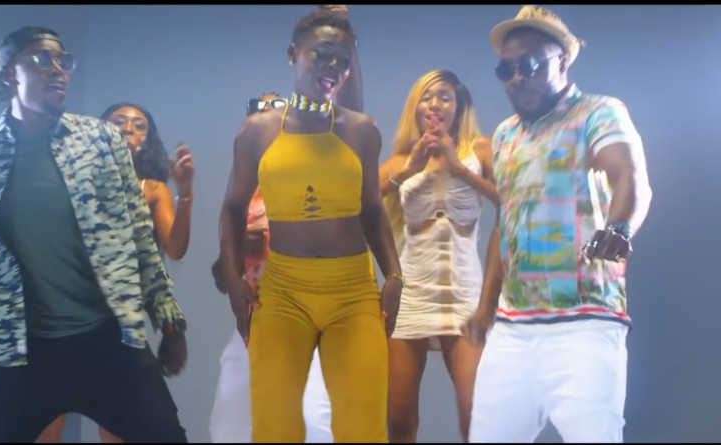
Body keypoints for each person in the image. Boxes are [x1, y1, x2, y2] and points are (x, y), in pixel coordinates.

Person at [0, 27, 189, 442]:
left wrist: (169, 322)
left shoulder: (102, 141)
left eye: (64, 60)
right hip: (19, 350)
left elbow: (140, 237)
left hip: (109, 341)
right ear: (9, 74)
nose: (58, 69)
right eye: (41, 59)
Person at [465, 6, 652, 443]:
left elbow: (630, 177)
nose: (517, 77)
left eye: (529, 65)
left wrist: (619, 228)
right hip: (514, 328)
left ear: (562, 61)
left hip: (584, 323)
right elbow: (506, 222)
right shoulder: (505, 134)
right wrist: (485, 306)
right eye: (506, 69)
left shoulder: (598, 113)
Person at [219, 9, 402, 443]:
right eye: (322, 54)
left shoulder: (362, 131)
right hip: (283, 291)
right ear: (292, 53)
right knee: (275, 428)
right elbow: (232, 208)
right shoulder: (257, 132)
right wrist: (233, 278)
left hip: (353, 290)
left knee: (363, 429)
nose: (333, 66)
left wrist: (394, 274)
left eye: (343, 59)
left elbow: (372, 210)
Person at [37, 103, 195, 443]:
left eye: (139, 125)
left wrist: (185, 194)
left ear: (147, 139)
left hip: (117, 323)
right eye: (118, 121)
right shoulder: (69, 178)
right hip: (59, 317)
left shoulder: (151, 188)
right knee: (45, 422)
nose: (128, 129)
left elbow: (174, 249)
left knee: (122, 428)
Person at [378, 69, 498, 442]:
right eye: (426, 97)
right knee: (398, 418)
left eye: (445, 97)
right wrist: (410, 169)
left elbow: (513, 202)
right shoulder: (401, 160)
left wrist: (458, 168)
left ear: (458, 106)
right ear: (415, 108)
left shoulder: (480, 150)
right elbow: (363, 203)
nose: (435, 105)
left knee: (476, 414)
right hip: (412, 294)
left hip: (466, 294)